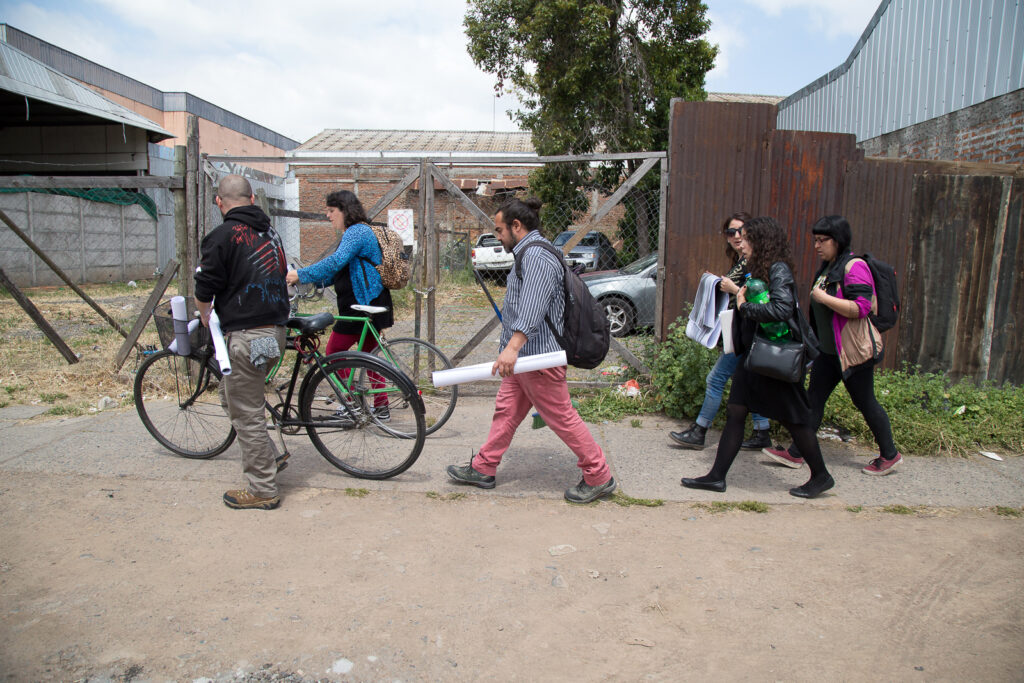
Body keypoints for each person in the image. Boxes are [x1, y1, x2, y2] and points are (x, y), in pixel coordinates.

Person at [445, 197, 617, 504]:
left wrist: (511, 348)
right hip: (524, 359)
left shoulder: (536, 256)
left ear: (516, 226)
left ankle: (599, 475)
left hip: (537, 358)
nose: (497, 238)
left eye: (499, 230)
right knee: (506, 411)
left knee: (561, 417)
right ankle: (484, 467)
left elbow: (533, 309)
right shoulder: (532, 253)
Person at [681, 216, 835, 498]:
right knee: (736, 410)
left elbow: (781, 310)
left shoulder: (778, 269)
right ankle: (716, 477)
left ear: (762, 241)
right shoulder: (760, 268)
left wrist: (743, 305)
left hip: (774, 356)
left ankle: (822, 475)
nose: (742, 243)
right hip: (755, 357)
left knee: (796, 420)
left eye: (747, 238)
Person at [762, 215, 902, 475]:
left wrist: (824, 298)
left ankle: (890, 455)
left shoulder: (854, 266)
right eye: (815, 240)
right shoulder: (829, 266)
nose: (817, 246)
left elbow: (860, 308)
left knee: (866, 402)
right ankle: (796, 453)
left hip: (851, 353)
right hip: (828, 353)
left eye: (822, 240)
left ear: (837, 240)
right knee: (813, 401)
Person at [195, 174, 290, 510]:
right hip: (275, 332)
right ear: (252, 199)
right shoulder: (271, 233)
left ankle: (263, 489)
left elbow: (205, 288)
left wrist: (205, 314)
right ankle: (269, 456)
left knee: (246, 411)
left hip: (247, 337)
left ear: (219, 202)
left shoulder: (220, 237)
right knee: (232, 395)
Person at [670, 212, 772, 450]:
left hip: (747, 332)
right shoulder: (741, 261)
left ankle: (700, 431)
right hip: (739, 329)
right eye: (731, 232)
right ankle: (762, 431)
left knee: (715, 379)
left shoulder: (753, 262)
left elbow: (760, 297)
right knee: (748, 381)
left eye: (742, 231)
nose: (737, 237)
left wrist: (733, 288)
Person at [285, 190, 392, 417]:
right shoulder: (357, 232)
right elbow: (342, 271)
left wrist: (301, 275)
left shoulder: (356, 232)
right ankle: (381, 406)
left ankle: (352, 402)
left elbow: (335, 262)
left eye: (331, 211)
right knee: (369, 357)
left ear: (345, 210)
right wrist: (316, 282)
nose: (328, 216)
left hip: (361, 304)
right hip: (370, 300)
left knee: (335, 350)